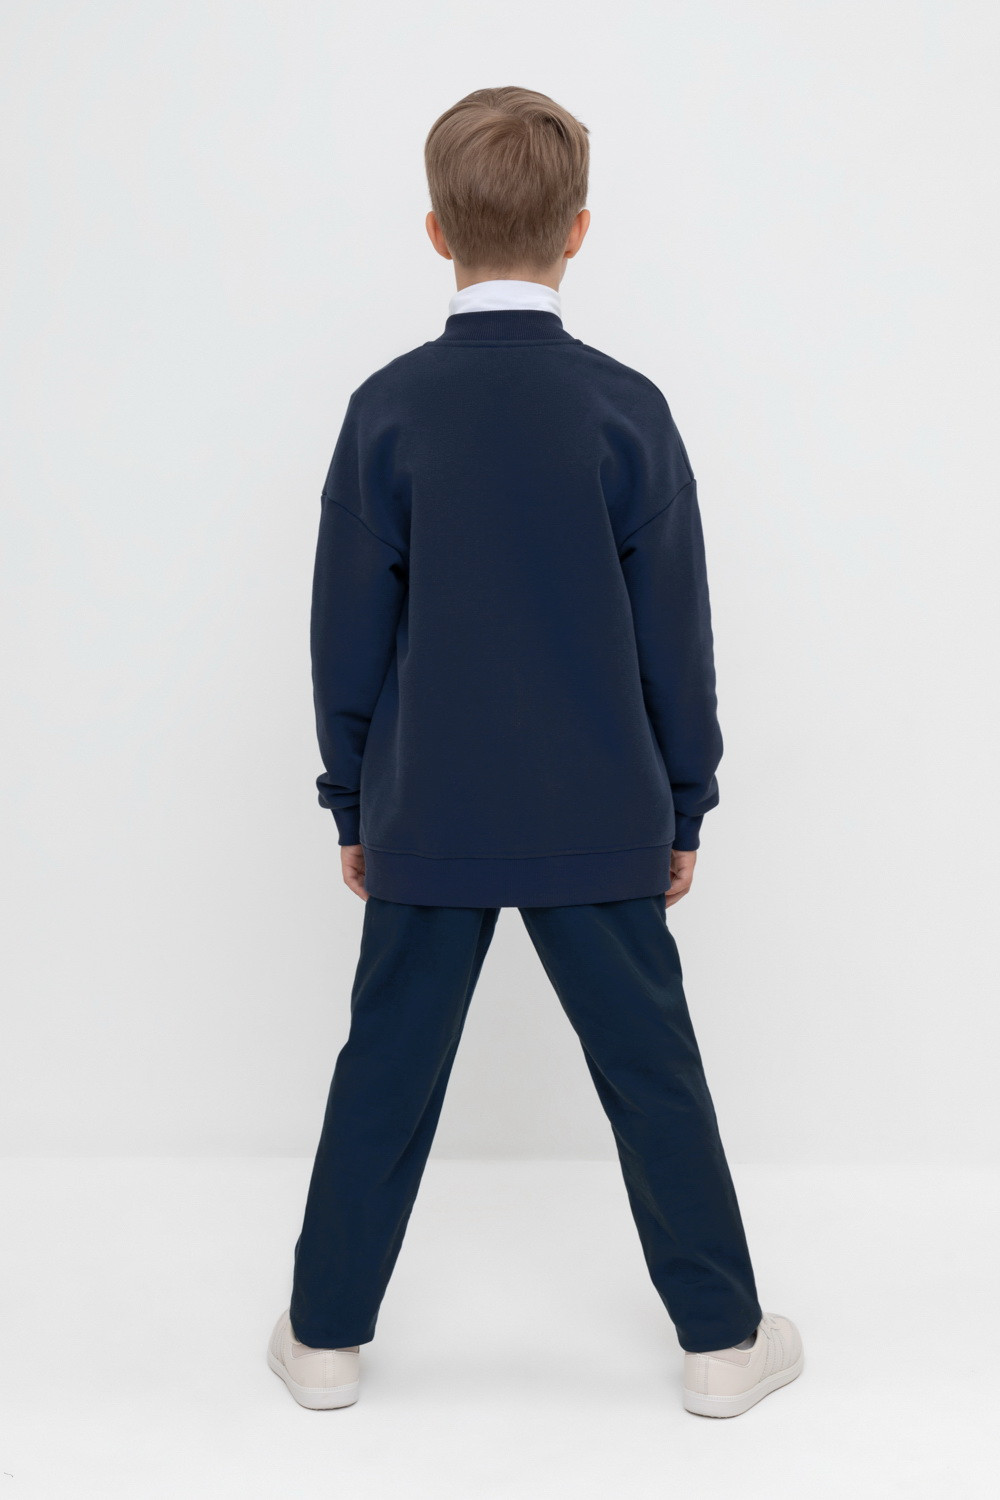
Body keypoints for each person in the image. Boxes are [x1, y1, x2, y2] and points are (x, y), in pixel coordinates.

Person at [267, 86, 803, 1419]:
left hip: (428, 815)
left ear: (434, 229)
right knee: (652, 1074)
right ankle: (723, 1345)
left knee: (385, 1070)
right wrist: (686, 801)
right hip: (602, 813)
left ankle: (324, 1340)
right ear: (579, 231)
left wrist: (353, 801)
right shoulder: (626, 411)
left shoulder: (387, 411)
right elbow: (676, 634)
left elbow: (345, 634)